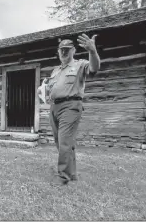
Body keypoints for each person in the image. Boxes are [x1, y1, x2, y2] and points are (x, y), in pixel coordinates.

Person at [38, 34, 101, 186]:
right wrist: (43, 90)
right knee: (61, 142)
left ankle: (63, 177)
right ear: (58, 52)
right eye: (61, 50)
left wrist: (92, 51)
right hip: (54, 107)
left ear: (73, 50)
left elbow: (94, 68)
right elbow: (49, 89)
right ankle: (71, 174)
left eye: (67, 50)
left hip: (71, 106)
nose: (64, 53)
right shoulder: (55, 70)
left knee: (65, 141)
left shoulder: (80, 64)